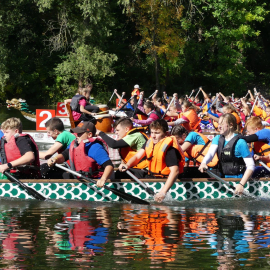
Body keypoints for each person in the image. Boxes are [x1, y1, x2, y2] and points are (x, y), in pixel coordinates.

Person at [117, 119, 185, 202]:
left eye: (157, 133)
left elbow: (175, 171)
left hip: (164, 179)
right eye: (152, 132)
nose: (153, 136)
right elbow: (137, 157)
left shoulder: (169, 149)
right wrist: (127, 165)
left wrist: (163, 192)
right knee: (119, 173)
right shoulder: (150, 142)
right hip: (152, 175)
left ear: (166, 134)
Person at [198, 114, 255, 195]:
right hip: (223, 178)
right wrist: (204, 163)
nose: (219, 126)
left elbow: (251, 165)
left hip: (238, 180)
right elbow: (210, 153)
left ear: (231, 125)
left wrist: (241, 184)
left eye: (222, 124)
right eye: (218, 123)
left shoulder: (240, 142)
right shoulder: (217, 139)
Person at [46, 121, 114, 187]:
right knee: (46, 168)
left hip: (95, 181)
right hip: (80, 178)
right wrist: (55, 159)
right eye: (76, 133)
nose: (77, 136)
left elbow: (109, 166)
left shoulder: (95, 147)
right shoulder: (75, 144)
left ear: (89, 135)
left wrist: (103, 179)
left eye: (79, 133)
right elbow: (64, 155)